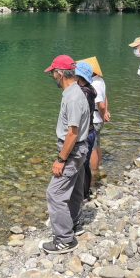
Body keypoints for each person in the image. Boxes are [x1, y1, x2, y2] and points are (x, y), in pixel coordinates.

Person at [41, 55, 90, 254]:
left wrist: (61, 159)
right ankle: (75, 224)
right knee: (76, 188)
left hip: (73, 150)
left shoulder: (73, 97)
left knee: (54, 193)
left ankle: (64, 239)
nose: (52, 76)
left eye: (53, 72)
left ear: (60, 74)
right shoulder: (75, 91)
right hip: (80, 150)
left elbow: (72, 133)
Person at [79, 56, 110, 190]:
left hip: (96, 118)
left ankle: (94, 171)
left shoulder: (94, 83)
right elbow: (105, 98)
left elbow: (101, 104)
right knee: (97, 144)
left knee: (92, 148)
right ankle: (97, 167)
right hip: (99, 117)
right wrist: (106, 113)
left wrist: (104, 114)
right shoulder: (100, 80)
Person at [74, 61, 97, 200]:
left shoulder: (83, 93)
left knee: (80, 166)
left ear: (79, 77)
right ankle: (85, 192)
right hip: (91, 131)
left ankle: (81, 194)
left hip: (85, 134)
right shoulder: (90, 89)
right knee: (85, 165)